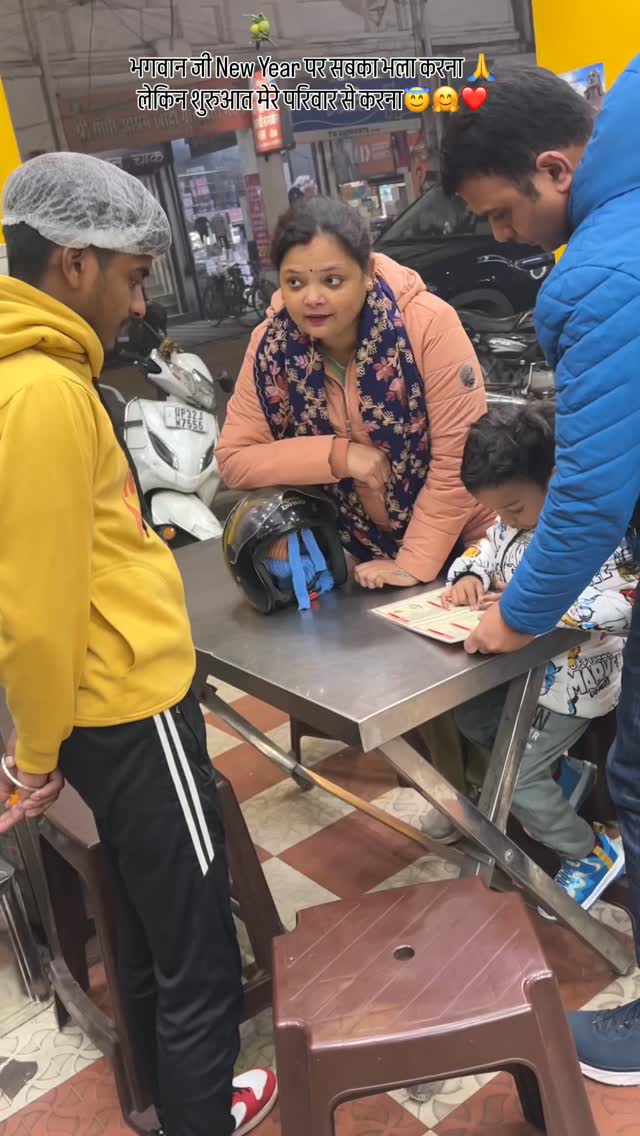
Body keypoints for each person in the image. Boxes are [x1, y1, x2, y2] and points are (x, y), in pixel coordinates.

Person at [0, 153, 277, 1136]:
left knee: (157, 934)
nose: (139, 301)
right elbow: (35, 606)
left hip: (104, 711)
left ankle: (171, 1109)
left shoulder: (35, 378)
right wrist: (34, 752)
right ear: (73, 262)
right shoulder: (41, 391)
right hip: (130, 709)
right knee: (199, 950)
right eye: (133, 275)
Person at [440, 56, 640, 1084]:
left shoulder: (599, 272)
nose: (504, 238)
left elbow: (590, 493)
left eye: (503, 214)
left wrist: (513, 618)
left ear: (556, 168)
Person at [217, 196, 493, 593]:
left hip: (473, 546)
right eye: (295, 282)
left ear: (367, 272)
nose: (312, 298)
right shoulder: (271, 349)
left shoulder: (428, 325)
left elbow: (459, 462)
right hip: (361, 557)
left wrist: (412, 563)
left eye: (332, 281)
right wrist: (340, 456)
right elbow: (235, 459)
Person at [445, 405, 631, 906]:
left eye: (515, 508)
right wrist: (470, 576)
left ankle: (587, 853)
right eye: (499, 512)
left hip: (575, 686)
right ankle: (559, 778)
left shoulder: (596, 532)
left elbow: (623, 605)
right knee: (472, 717)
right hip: (521, 674)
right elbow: (486, 548)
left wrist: (535, 608)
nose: (507, 521)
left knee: (520, 779)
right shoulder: (509, 522)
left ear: (555, 480)